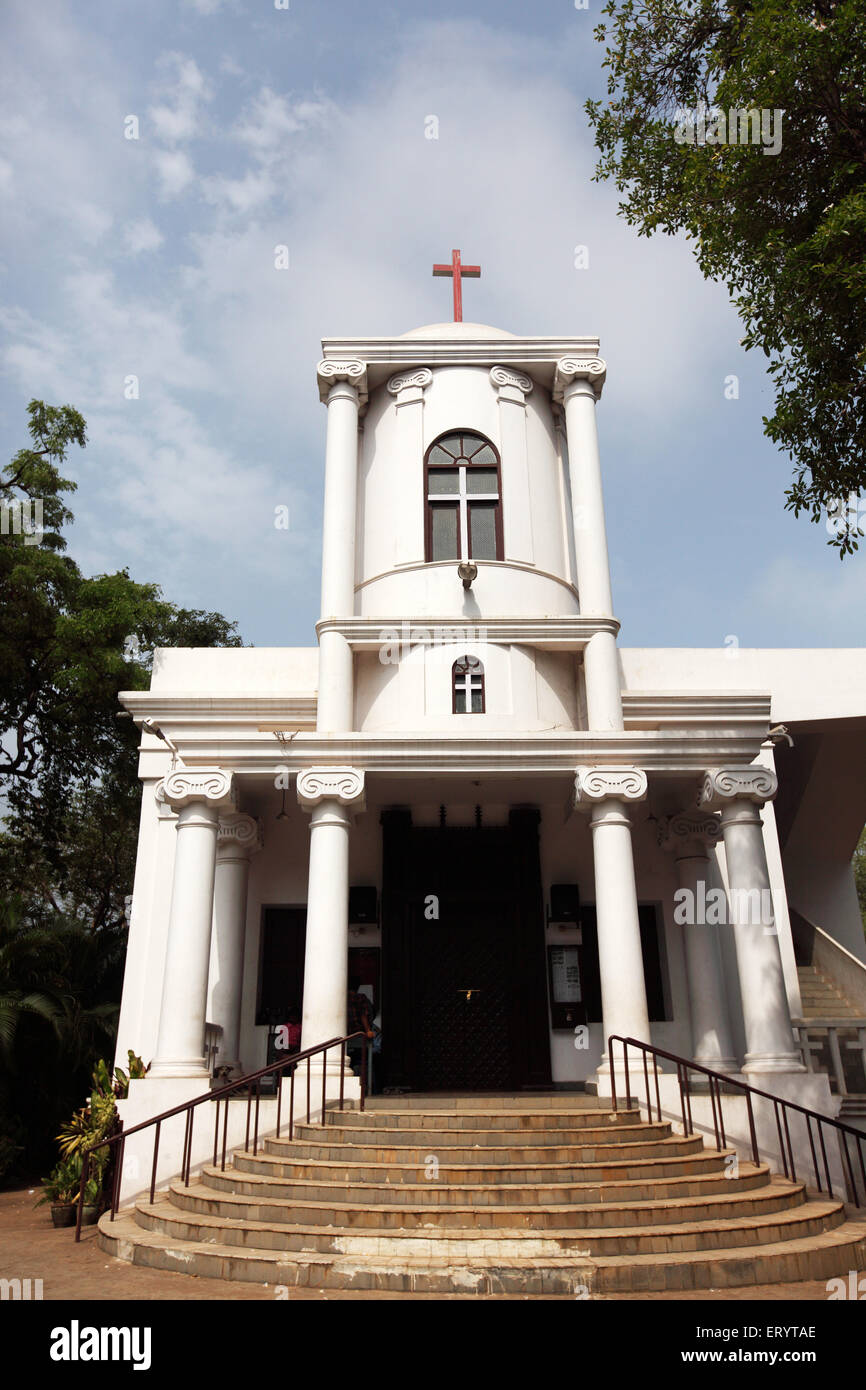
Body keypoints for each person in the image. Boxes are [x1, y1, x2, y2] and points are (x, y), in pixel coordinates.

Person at [346, 978, 374, 1079]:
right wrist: (368, 1030)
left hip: (344, 1034)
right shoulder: (360, 998)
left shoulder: (341, 997)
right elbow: (364, 1015)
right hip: (358, 1033)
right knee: (363, 1057)